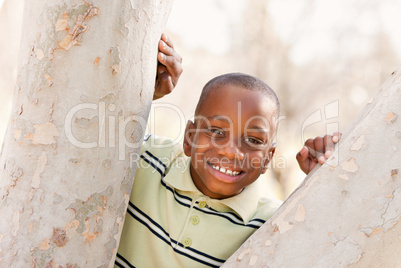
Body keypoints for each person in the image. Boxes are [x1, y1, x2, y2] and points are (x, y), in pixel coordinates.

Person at [115, 34, 341, 268]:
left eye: (253, 139)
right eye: (216, 131)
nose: (232, 152)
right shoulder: (144, 158)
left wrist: (324, 186)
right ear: (189, 138)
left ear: (268, 159)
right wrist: (148, 91)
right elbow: (101, 135)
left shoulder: (273, 224)